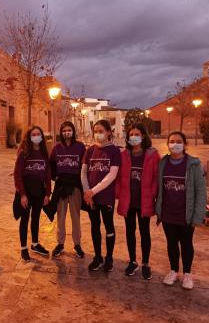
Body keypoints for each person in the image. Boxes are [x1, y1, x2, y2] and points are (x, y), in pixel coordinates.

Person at [155, 131, 206, 290]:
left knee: (186, 244)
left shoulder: (193, 165)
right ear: (167, 144)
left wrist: (198, 216)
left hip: (186, 214)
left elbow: (201, 191)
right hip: (168, 213)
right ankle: (173, 271)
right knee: (171, 244)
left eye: (178, 141)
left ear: (185, 144)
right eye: (171, 141)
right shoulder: (163, 163)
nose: (175, 144)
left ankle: (188, 274)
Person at [116, 123, 160, 280]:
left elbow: (156, 177)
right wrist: (119, 194)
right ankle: (133, 261)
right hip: (128, 200)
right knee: (129, 231)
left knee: (144, 232)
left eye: (137, 134)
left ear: (143, 136)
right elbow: (119, 176)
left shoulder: (152, 155)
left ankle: (146, 263)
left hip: (144, 201)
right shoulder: (124, 154)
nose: (133, 137)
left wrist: (153, 193)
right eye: (131, 134)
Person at [81, 120, 121, 271]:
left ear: (109, 132)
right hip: (91, 197)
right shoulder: (90, 150)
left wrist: (93, 191)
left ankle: (109, 258)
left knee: (108, 225)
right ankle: (97, 256)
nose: (98, 134)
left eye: (101, 131)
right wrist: (87, 192)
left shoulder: (114, 151)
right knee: (95, 225)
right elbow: (83, 173)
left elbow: (112, 175)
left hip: (105, 196)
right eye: (95, 131)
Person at [13, 126, 51, 261]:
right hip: (26, 191)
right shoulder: (24, 153)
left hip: (39, 192)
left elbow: (47, 175)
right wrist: (22, 194)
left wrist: (47, 193)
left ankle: (35, 244)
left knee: (36, 218)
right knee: (24, 219)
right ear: (29, 137)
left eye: (38, 134)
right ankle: (23, 248)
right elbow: (17, 175)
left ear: (42, 136)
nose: (36, 136)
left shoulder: (44, 153)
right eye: (33, 134)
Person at [49, 121, 86, 258]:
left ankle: (77, 244)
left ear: (73, 131)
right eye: (64, 130)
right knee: (61, 217)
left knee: (75, 217)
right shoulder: (56, 148)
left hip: (75, 186)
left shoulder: (80, 147)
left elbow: (84, 165)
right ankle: (60, 243)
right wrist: (55, 177)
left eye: (69, 130)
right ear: (61, 132)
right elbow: (51, 165)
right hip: (61, 187)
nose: (67, 132)